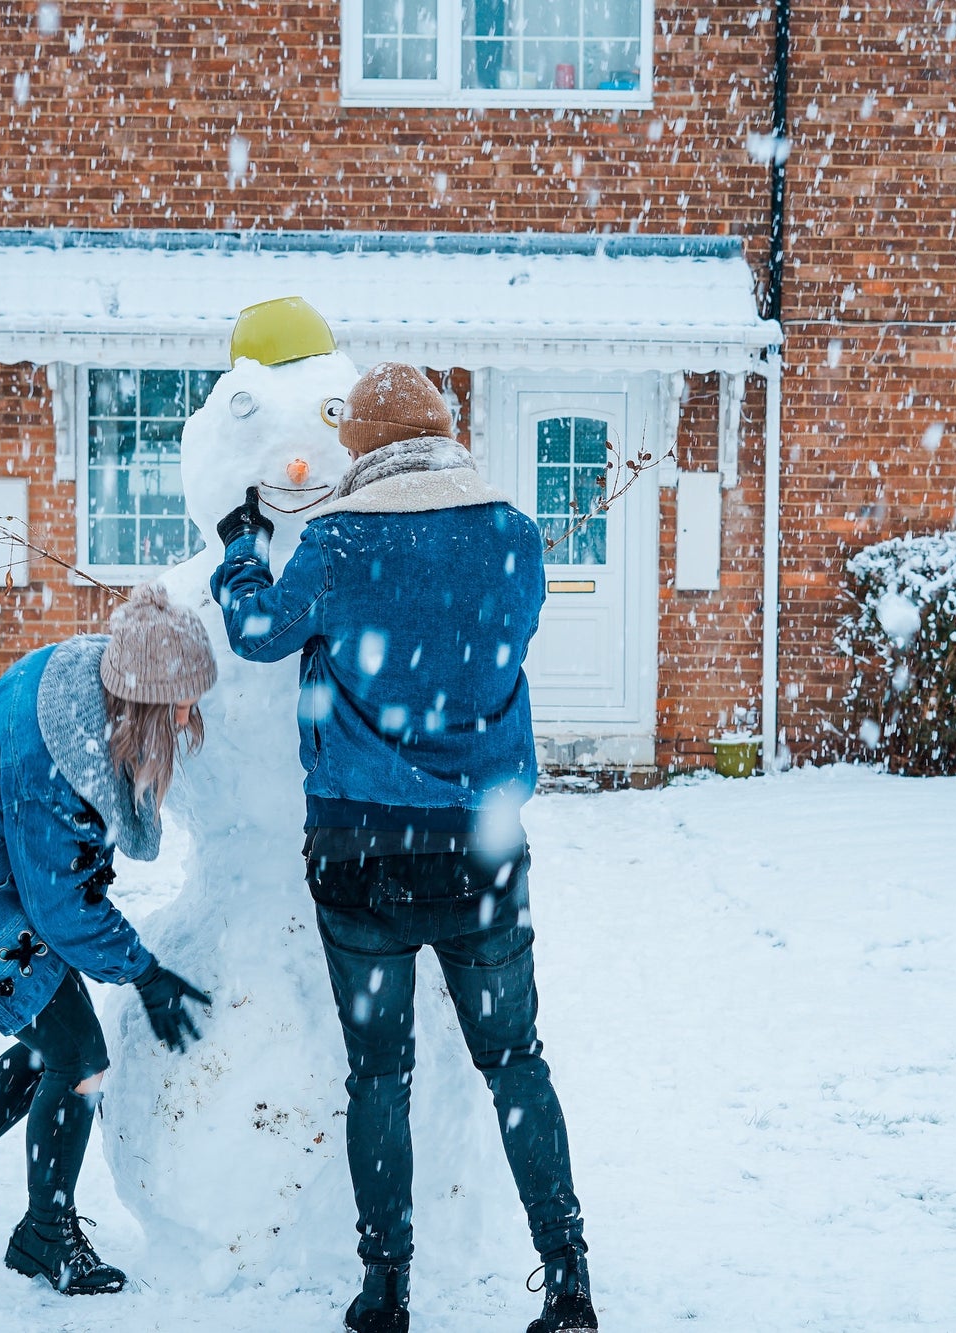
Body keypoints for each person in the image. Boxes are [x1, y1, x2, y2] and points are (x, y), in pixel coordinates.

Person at [211, 363, 598, 1333]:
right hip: (481, 857)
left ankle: (385, 1286)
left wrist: (241, 551)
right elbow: (495, 637)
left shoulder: (340, 542)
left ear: (370, 447)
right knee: (514, 1062)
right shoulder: (512, 536)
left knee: (379, 1074)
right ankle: (567, 1274)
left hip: (361, 859)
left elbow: (258, 632)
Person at [0, 583, 217, 1296]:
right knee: (80, 1055)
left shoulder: (99, 688)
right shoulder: (55, 763)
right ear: (146, 700)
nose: (192, 715)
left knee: (56, 1046)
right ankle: (46, 1235)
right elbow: (61, 906)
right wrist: (145, 973)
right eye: (183, 702)